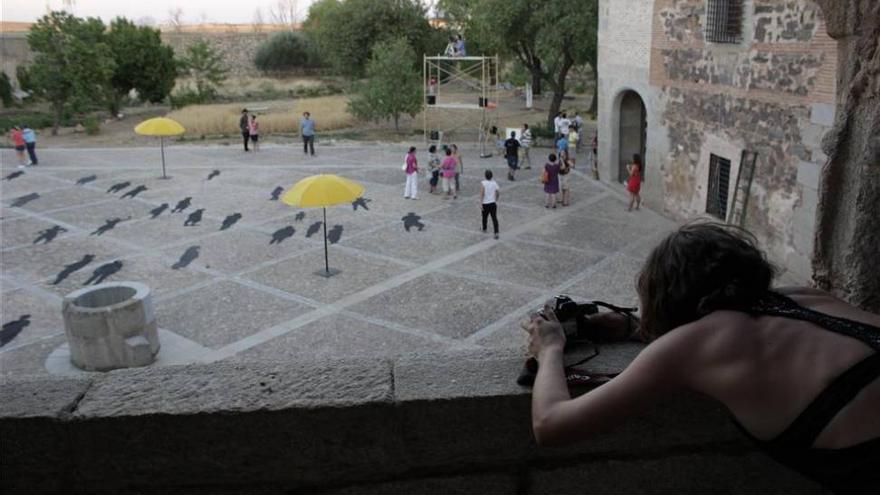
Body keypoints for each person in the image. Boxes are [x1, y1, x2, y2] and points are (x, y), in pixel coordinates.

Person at [522, 222, 880, 494]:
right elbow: (725, 323)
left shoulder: (692, 347)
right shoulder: (802, 297)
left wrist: (550, 348)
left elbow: (552, 424)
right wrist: (624, 324)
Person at [480, 169, 500, 239]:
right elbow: (497, 192)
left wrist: (481, 203)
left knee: (484, 217)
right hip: (492, 203)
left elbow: (482, 193)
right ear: (492, 176)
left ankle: (484, 228)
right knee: (494, 218)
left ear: (485, 176)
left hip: (485, 203)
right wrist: (496, 198)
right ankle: (496, 232)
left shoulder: (483, 183)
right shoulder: (494, 183)